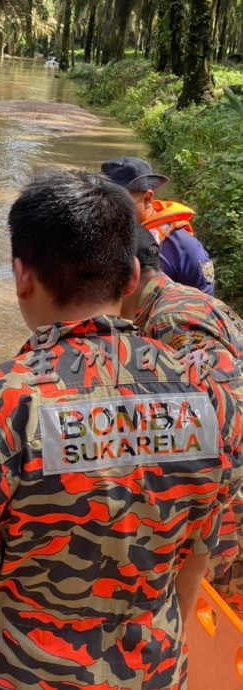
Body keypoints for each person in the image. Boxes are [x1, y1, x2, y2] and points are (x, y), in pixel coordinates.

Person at [0, 169, 240, 690]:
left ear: (22, 276)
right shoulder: (208, 399)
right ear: (131, 277)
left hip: (6, 673)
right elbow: (196, 553)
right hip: (150, 672)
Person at [121, 224, 243, 614]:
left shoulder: (172, 323)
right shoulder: (190, 301)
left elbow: (218, 419)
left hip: (225, 509)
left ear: (127, 276)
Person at [100, 156, 215, 295]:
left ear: (148, 198)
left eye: (117, 201)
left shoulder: (183, 248)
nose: (107, 207)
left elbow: (202, 305)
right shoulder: (96, 232)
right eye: (103, 199)